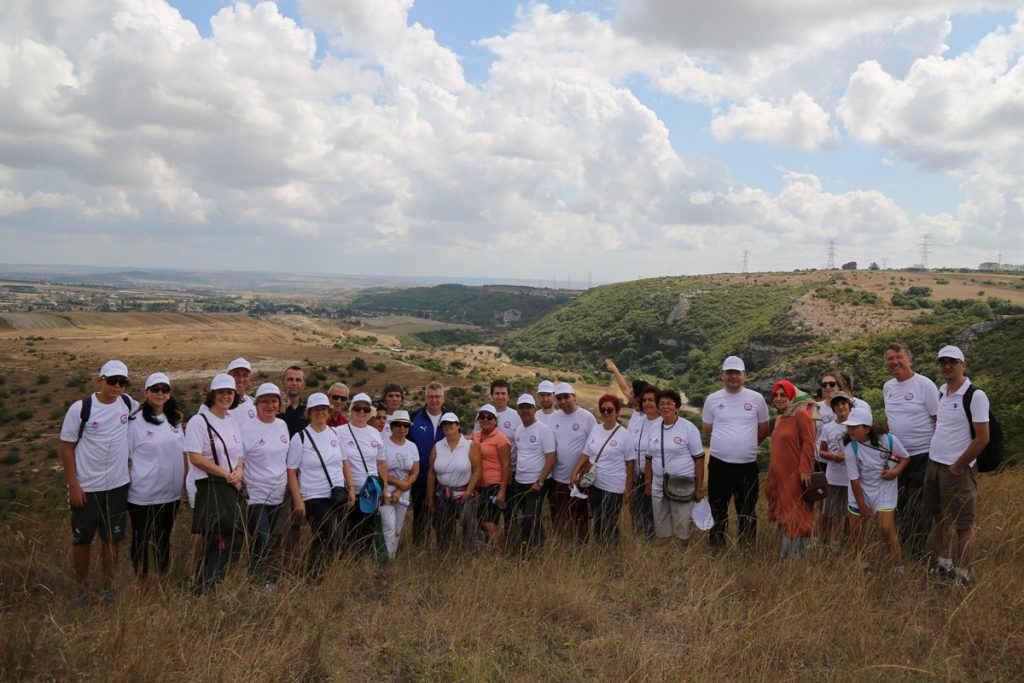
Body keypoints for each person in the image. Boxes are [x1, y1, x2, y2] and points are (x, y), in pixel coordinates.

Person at [59, 360, 138, 605]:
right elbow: (67, 447)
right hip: (86, 487)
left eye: (122, 382)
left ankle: (109, 588)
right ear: (99, 380)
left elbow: (151, 409)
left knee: (112, 538)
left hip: (117, 485)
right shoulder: (81, 409)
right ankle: (81, 590)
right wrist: (73, 485)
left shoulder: (127, 404)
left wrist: (175, 415)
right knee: (82, 539)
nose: (117, 386)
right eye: (112, 381)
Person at [925, 345, 989, 586]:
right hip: (936, 464)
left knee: (963, 524)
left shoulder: (975, 395)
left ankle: (962, 575)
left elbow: (982, 438)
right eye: (943, 362)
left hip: (957, 469)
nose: (947, 366)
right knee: (940, 517)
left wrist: (958, 466)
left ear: (964, 365)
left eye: (952, 362)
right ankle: (945, 564)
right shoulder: (942, 391)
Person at [184, 373, 246, 592]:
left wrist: (238, 471)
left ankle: (213, 582)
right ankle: (204, 585)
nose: (225, 396)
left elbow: (239, 455)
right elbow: (195, 457)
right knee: (217, 537)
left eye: (229, 392)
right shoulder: (199, 421)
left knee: (233, 536)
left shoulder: (231, 422)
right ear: (212, 395)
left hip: (229, 487)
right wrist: (225, 474)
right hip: (209, 488)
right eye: (221, 392)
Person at [702, 356, 770, 549]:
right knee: (717, 508)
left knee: (747, 510)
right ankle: (717, 547)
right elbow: (708, 430)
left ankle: (746, 549)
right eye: (729, 372)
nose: (733, 376)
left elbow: (764, 429)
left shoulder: (757, 399)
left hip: (746, 466)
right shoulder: (712, 399)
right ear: (722, 375)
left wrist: (745, 445)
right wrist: (727, 445)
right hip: (719, 464)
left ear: (744, 375)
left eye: (737, 372)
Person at [286, 392, 354, 579]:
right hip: (313, 495)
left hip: (337, 494)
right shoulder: (300, 438)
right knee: (329, 530)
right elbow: (291, 472)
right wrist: (298, 501)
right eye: (316, 409)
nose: (320, 412)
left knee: (332, 537)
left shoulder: (335, 434)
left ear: (329, 411)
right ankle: (313, 576)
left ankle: (317, 575)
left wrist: (351, 488)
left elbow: (345, 462)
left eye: (324, 409)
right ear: (309, 413)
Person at [126, 372, 184, 585]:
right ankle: (142, 583)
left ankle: (162, 580)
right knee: (141, 538)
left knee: (164, 537)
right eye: (155, 389)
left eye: (165, 389)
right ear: (146, 392)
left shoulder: (175, 420)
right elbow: (125, 457)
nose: (160, 393)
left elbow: (182, 452)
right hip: (142, 494)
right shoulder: (134, 423)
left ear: (170, 393)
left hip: (171, 493)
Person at [882, 343, 938, 560]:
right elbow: (890, 420)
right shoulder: (888, 387)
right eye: (890, 358)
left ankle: (917, 551)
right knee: (898, 502)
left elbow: (938, 420)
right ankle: (902, 546)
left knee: (918, 503)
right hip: (896, 456)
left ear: (909, 360)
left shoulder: (925, 385)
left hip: (922, 453)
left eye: (899, 357)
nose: (894, 362)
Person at [842, 404, 910, 572]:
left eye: (854, 427)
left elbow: (905, 458)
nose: (850, 430)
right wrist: (862, 505)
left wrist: (895, 472)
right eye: (849, 427)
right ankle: (864, 563)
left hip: (884, 488)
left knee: (886, 528)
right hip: (859, 491)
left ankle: (897, 566)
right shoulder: (851, 447)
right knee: (856, 529)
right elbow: (854, 479)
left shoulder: (888, 439)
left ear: (867, 428)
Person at [240, 383, 290, 583]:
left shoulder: (282, 425)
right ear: (257, 404)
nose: (270, 406)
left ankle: (260, 576)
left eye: (274, 401)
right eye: (265, 401)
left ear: (279, 404)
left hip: (278, 494)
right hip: (256, 495)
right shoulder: (247, 429)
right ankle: (259, 580)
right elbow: (239, 460)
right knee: (262, 536)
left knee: (271, 540)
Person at [572, 394, 636, 544]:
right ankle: (600, 549)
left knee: (610, 520)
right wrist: (575, 472)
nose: (606, 413)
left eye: (610, 410)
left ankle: (612, 550)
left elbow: (630, 463)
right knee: (598, 518)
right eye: (603, 410)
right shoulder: (596, 429)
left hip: (614, 486)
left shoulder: (624, 435)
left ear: (617, 412)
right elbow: (586, 453)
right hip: (594, 484)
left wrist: (628, 489)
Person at [764, 380, 816, 562]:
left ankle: (790, 559)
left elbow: (809, 442)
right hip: (778, 476)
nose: (779, 398)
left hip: (794, 475)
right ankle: (788, 557)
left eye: (783, 395)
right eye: (776, 395)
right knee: (783, 515)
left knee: (794, 514)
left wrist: (805, 468)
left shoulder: (801, 415)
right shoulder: (780, 419)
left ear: (791, 396)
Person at [645, 389, 705, 547]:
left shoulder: (688, 428)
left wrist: (699, 488)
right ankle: (665, 554)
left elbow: (699, 459)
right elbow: (649, 459)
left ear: (677, 406)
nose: (665, 407)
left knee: (682, 522)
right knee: (661, 522)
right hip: (658, 483)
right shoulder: (653, 428)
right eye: (662, 403)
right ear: (658, 407)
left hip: (681, 482)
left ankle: (681, 555)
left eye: (669, 403)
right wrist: (648, 484)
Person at [339, 393, 389, 557]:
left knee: (367, 533)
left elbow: (381, 463)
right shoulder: (339, 432)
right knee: (348, 532)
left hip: (371, 492)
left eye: (365, 409)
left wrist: (384, 489)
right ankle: (344, 565)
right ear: (351, 410)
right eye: (357, 408)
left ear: (370, 412)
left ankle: (361, 565)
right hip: (350, 493)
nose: (361, 412)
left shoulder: (375, 433)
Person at [549, 382, 598, 543]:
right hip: (558, 477)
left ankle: (581, 548)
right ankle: (563, 547)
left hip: (579, 480)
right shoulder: (554, 417)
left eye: (566, 397)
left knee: (580, 517)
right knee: (560, 515)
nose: (563, 401)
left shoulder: (587, 417)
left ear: (574, 396)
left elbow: (594, 446)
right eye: (559, 398)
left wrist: (583, 471)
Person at [426, 413, 481, 552]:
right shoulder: (437, 446)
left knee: (468, 523)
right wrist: (429, 496)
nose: (447, 426)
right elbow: (432, 472)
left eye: (451, 423)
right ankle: (445, 554)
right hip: (443, 493)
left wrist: (468, 491)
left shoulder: (469, 445)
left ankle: (472, 554)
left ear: (458, 426)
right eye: (444, 424)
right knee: (443, 525)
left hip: (464, 492)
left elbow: (477, 470)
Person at [511, 394, 556, 550]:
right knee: (529, 516)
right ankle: (540, 544)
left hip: (537, 482)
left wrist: (540, 481)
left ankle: (528, 552)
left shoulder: (544, 430)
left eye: (528, 407)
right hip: (520, 481)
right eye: (522, 408)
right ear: (518, 411)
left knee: (529, 518)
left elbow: (551, 457)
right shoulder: (518, 430)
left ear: (534, 409)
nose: (525, 411)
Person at [408, 382, 449, 545]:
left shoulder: (450, 418)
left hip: (445, 478)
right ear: (425, 398)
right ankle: (418, 550)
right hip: (420, 477)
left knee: (443, 519)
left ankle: (444, 551)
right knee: (420, 517)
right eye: (431, 397)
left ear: (443, 399)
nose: (434, 400)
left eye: (438, 396)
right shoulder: (414, 417)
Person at [380, 410, 420, 559]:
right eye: (398, 425)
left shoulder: (412, 446)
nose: (402, 428)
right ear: (392, 426)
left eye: (405, 425)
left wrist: (400, 490)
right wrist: (398, 484)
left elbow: (415, 472)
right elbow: (380, 470)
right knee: (388, 526)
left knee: (397, 528)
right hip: (386, 491)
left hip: (403, 492)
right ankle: (385, 560)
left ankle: (392, 557)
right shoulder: (383, 444)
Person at [473, 403, 512, 550]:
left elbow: (506, 465)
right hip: (479, 485)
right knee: (480, 518)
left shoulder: (501, 438)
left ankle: (498, 550)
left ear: (495, 420)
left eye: (489, 417)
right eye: (482, 417)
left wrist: (502, 491)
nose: (485, 419)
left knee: (487, 520)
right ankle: (491, 550)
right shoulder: (476, 436)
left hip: (494, 484)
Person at [817, 392, 853, 547]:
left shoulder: (857, 426)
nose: (840, 407)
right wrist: (832, 455)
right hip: (833, 477)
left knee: (849, 513)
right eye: (836, 404)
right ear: (833, 408)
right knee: (828, 512)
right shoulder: (828, 427)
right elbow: (822, 451)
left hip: (851, 478)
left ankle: (844, 543)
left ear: (849, 406)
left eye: (843, 403)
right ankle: (823, 542)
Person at [627, 384, 659, 542]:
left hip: (657, 480)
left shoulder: (664, 423)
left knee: (653, 517)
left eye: (651, 400)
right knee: (636, 516)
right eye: (645, 400)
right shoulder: (638, 422)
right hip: (637, 477)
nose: (647, 403)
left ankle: (654, 546)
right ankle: (638, 546)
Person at [278, 365, 308, 436]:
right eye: (290, 379)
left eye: (298, 380)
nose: (294, 383)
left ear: (304, 385)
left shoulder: (309, 410)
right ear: (283, 382)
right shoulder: (273, 408)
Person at [226, 357, 257, 422]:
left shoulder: (254, 404)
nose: (241, 379)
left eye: (245, 375)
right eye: (236, 375)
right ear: (228, 377)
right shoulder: (216, 405)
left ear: (250, 379)